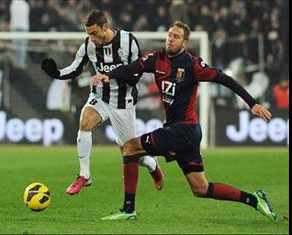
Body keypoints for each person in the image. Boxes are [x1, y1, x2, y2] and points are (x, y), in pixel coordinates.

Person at [91, 21, 279, 222]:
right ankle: (254, 199)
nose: (170, 39)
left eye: (176, 36)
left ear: (185, 43)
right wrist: (107, 75)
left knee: (129, 148)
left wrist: (252, 103)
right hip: (184, 132)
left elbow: (224, 79)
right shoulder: (157, 59)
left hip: (183, 130)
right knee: (201, 188)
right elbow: (131, 68)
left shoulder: (192, 65)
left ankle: (129, 209)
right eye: (169, 35)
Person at [41, 10, 164, 195]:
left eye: (94, 33)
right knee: (85, 122)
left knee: (129, 151)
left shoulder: (128, 41)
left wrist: (112, 76)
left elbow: (137, 72)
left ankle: (152, 164)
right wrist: (56, 73)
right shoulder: (89, 46)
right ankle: (84, 175)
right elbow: (75, 68)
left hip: (123, 101)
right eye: (88, 34)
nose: (91, 38)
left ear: (105, 27)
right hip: (100, 97)